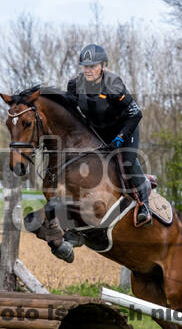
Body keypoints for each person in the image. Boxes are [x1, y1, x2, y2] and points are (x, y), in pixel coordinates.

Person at [65, 43, 152, 227]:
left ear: (103, 66)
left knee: (127, 160)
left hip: (124, 128)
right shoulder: (74, 85)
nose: (88, 70)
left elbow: (136, 113)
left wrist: (120, 138)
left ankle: (144, 204)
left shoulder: (113, 84)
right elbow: (70, 111)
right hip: (98, 131)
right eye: (85, 66)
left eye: (92, 66)